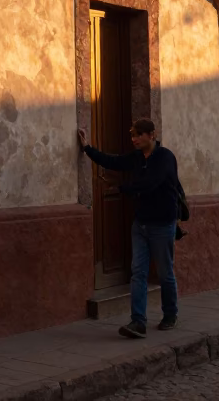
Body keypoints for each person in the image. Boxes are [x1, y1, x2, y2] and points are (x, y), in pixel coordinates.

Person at [77, 118, 180, 337]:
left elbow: (151, 183)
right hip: (140, 224)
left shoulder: (165, 157)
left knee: (164, 273)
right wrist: (87, 149)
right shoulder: (136, 157)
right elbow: (113, 162)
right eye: (133, 135)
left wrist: (123, 187)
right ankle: (138, 322)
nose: (134, 139)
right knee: (138, 273)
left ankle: (170, 314)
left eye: (139, 135)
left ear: (151, 135)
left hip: (162, 224)